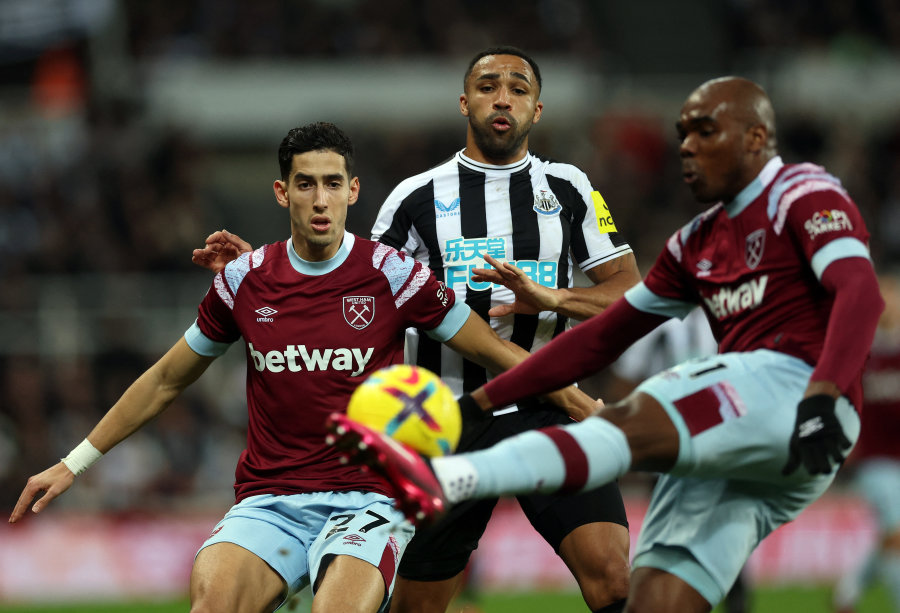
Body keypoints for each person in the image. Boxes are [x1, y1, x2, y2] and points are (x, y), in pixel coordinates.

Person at [326, 77, 885, 613]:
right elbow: (603, 338)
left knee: (647, 411)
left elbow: (860, 293)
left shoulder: (801, 192)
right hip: (461, 407)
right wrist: (475, 405)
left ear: (756, 139)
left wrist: (824, 396)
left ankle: (450, 479)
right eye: (682, 132)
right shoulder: (694, 243)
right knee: (651, 597)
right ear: (463, 101)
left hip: (797, 395)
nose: (685, 147)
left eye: (704, 132)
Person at [9, 122, 596, 613]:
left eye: (332, 184)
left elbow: (492, 351)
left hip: (372, 499)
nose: (320, 199)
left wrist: (575, 400)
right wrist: (74, 462)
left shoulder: (391, 275)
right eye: (306, 184)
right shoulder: (243, 280)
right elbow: (166, 378)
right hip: (271, 499)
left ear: (353, 190)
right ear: (281, 192)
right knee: (211, 604)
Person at [195, 45, 640, 613]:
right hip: (445, 420)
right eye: (486, 86)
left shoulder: (569, 187)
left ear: (538, 110)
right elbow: (352, 284)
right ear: (464, 103)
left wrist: (554, 297)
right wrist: (266, 269)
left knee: (613, 577)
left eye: (518, 88)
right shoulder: (416, 197)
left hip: (545, 408)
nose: (502, 97)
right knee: (416, 607)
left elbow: (628, 292)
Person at [833, 273, 900, 613]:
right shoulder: (862, 352)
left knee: (893, 536)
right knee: (897, 533)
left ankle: (850, 586)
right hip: (875, 461)